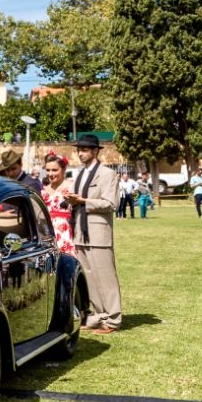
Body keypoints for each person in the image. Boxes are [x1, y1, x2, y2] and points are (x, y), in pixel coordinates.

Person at [64, 134, 121, 335]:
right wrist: (70, 200)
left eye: (85, 150)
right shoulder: (79, 173)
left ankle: (113, 319)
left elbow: (111, 203)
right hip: (81, 230)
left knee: (106, 277)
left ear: (96, 151)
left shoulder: (107, 174)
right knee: (89, 277)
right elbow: (78, 200)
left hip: (98, 232)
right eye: (79, 149)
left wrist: (83, 201)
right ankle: (97, 316)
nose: (81, 153)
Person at [40, 152, 74, 255]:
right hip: (47, 234)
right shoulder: (43, 190)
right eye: (48, 170)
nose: (50, 174)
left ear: (64, 169)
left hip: (66, 233)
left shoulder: (71, 187)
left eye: (55, 170)